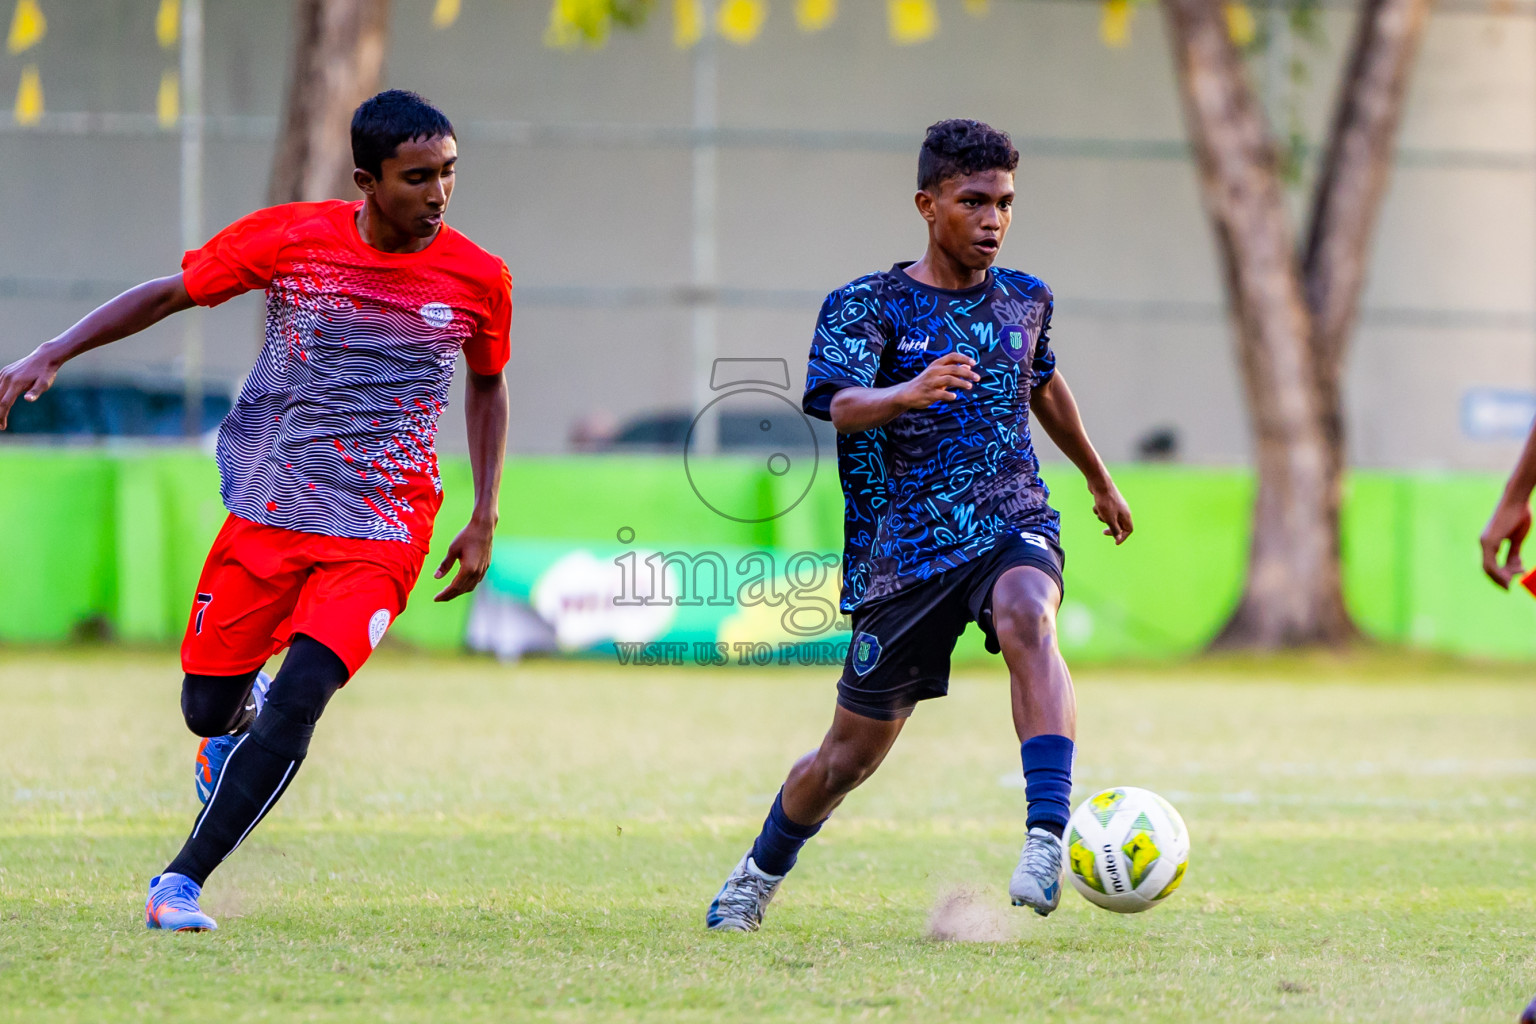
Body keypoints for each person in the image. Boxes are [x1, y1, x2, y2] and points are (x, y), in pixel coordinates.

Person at [0, 90, 512, 932]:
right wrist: (52, 351)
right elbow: (169, 295)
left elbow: (488, 384)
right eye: (417, 177)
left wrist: (485, 511)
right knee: (206, 707)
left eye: (450, 173)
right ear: (366, 180)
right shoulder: (291, 238)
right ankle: (230, 728)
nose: (439, 193)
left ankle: (180, 882)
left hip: (384, 527)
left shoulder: (479, 278)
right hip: (271, 509)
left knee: (303, 695)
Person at [705, 119, 1134, 931]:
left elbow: (1042, 381)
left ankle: (1046, 831)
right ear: (927, 204)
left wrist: (1097, 476)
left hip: (1011, 516)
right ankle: (757, 875)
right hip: (902, 551)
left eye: (1005, 202)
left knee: (1027, 614)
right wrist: (906, 392)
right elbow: (836, 402)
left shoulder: (1027, 299)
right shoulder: (866, 305)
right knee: (845, 760)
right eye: (974, 201)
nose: (993, 220)